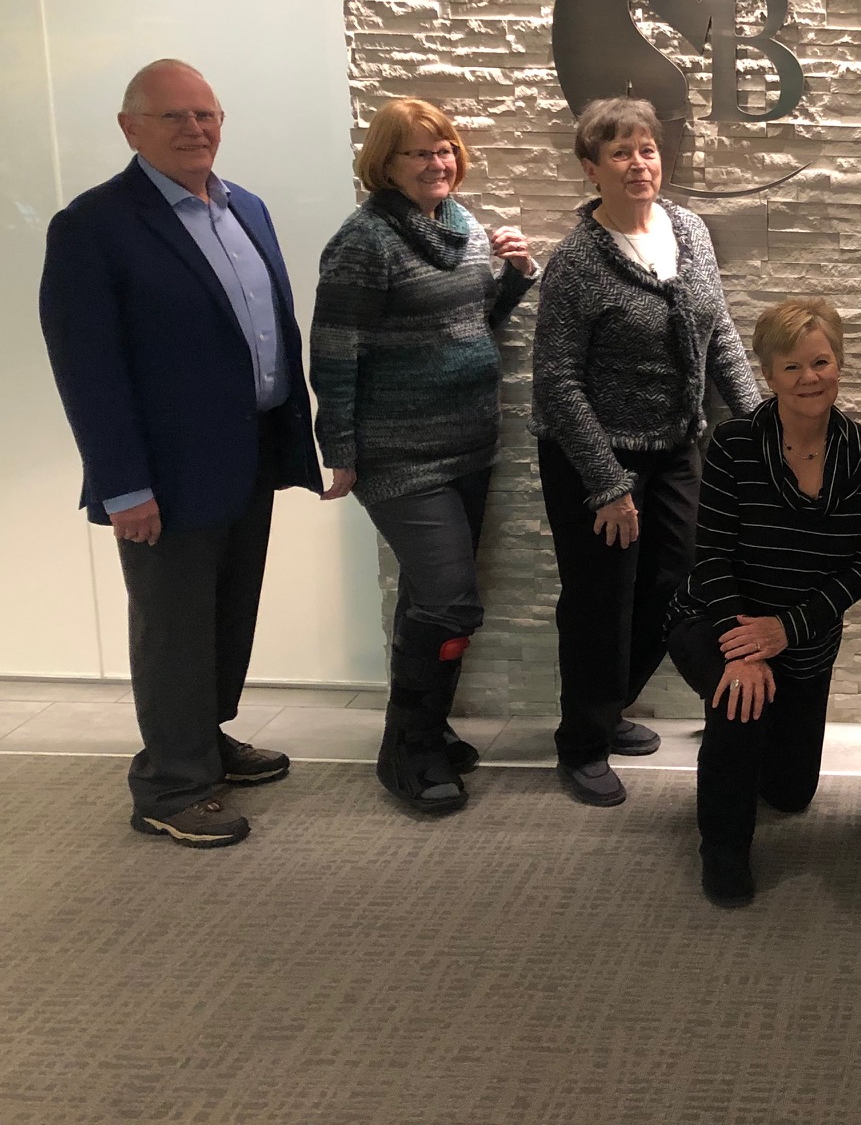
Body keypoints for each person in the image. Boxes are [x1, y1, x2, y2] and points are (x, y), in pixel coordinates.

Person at [38, 59, 323, 848]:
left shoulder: (246, 208)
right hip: (163, 472)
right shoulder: (93, 225)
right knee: (174, 627)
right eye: (173, 117)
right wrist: (123, 485)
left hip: (250, 451)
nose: (195, 129)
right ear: (131, 129)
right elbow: (87, 369)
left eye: (206, 114)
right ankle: (170, 784)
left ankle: (203, 740)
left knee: (228, 612)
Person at [532, 96, 762, 807]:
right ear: (591, 168)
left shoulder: (688, 230)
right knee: (601, 602)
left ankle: (608, 704)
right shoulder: (577, 260)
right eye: (621, 152)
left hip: (675, 446)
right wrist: (607, 484)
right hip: (593, 458)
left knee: (675, 584)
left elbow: (719, 333)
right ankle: (582, 742)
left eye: (647, 149)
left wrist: (761, 425)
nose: (639, 164)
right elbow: (557, 380)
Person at [311, 98, 538, 813]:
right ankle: (408, 753)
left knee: (428, 598)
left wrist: (516, 277)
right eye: (418, 152)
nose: (437, 163)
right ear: (385, 162)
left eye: (444, 150)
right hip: (400, 458)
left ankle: (424, 729)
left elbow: (472, 323)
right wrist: (339, 448)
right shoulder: (364, 241)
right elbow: (334, 350)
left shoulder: (462, 227)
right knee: (448, 602)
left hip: (468, 446)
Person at [667, 298, 861, 907]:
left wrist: (786, 631)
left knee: (791, 794)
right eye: (791, 367)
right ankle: (722, 849)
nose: (808, 378)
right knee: (742, 704)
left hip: (804, 639)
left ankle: (748, 748)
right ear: (768, 374)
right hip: (714, 617)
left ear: (839, 364)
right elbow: (711, 555)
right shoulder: (734, 443)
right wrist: (743, 651)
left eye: (820, 362)